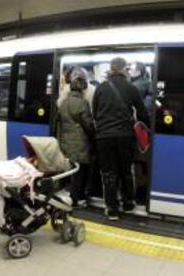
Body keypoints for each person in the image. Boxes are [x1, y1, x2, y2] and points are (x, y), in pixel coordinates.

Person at [93, 57, 150, 220]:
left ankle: (112, 209)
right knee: (126, 171)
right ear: (124, 69)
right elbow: (142, 112)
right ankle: (128, 203)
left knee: (109, 174)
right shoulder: (131, 88)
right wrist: (146, 129)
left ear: (111, 69)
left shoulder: (101, 88)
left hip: (104, 137)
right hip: (125, 136)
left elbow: (95, 112)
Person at [58, 69, 95, 207]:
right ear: (83, 89)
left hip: (66, 141)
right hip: (80, 142)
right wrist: (94, 135)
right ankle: (76, 198)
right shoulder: (82, 103)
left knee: (73, 169)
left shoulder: (63, 103)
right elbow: (88, 124)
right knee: (80, 172)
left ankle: (73, 195)